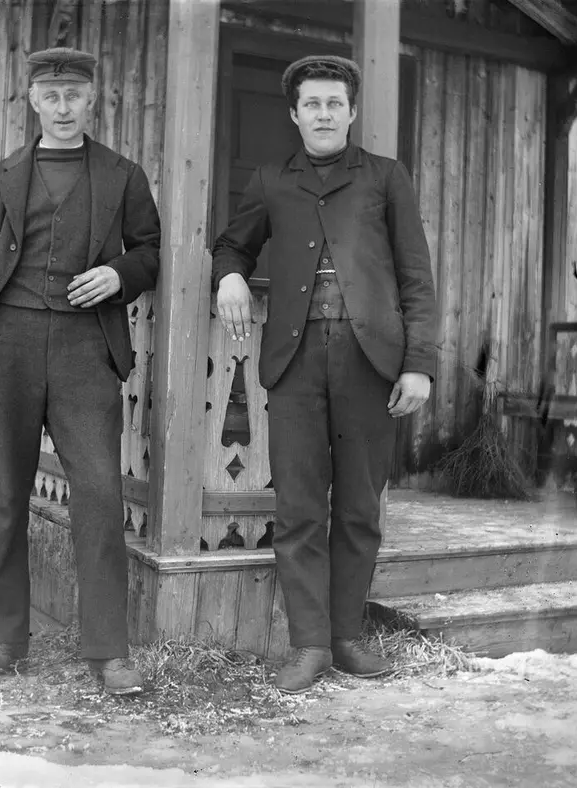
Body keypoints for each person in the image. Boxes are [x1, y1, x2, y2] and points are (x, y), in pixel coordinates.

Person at [0, 47, 161, 695]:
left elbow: (151, 252)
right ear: (32, 100)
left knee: (100, 494)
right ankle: (4, 639)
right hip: (5, 346)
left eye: (74, 95)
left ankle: (109, 653)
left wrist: (119, 273)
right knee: (5, 496)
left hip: (86, 349)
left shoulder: (122, 176)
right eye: (51, 96)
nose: (63, 108)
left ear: (92, 100)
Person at [211, 55, 438, 693]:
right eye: (312, 104)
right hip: (296, 360)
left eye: (335, 103)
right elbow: (232, 243)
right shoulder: (271, 179)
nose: (324, 114)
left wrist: (418, 364)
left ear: (351, 111)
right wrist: (229, 275)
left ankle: (346, 639)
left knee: (361, 508)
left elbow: (416, 276)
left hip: (370, 362)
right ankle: (308, 645)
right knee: (300, 508)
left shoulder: (386, 177)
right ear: (294, 114)